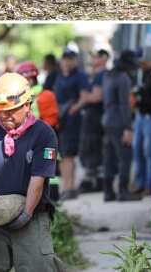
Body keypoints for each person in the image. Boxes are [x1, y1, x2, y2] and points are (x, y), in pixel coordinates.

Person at [0, 72, 59, 272]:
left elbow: (37, 180)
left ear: (27, 105)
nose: (5, 115)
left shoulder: (44, 134)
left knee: (36, 267)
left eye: (11, 110)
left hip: (32, 214)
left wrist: (26, 214)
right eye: (1, 111)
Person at [102, 50, 142, 202]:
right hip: (119, 122)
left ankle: (108, 192)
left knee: (109, 157)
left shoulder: (107, 76)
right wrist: (128, 128)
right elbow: (125, 105)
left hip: (107, 120)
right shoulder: (123, 78)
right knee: (126, 156)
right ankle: (123, 191)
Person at [54, 49, 88, 200]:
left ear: (75, 60)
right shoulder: (59, 76)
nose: (67, 62)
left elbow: (84, 97)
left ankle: (69, 187)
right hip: (59, 119)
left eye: (70, 59)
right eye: (64, 59)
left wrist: (73, 109)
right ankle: (68, 187)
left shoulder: (80, 76)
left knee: (68, 155)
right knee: (62, 155)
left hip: (72, 120)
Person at [77, 48, 110, 193]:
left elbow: (97, 97)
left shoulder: (101, 75)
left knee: (91, 148)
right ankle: (98, 181)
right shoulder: (99, 75)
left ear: (104, 58)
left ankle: (92, 182)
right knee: (94, 148)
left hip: (95, 116)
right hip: (96, 116)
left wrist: (84, 97)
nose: (93, 60)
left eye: (96, 57)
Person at [130, 46, 151, 196]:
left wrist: (139, 95)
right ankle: (140, 183)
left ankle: (150, 185)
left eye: (143, 61)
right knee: (137, 149)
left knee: (149, 152)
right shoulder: (143, 74)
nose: (140, 64)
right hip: (140, 115)